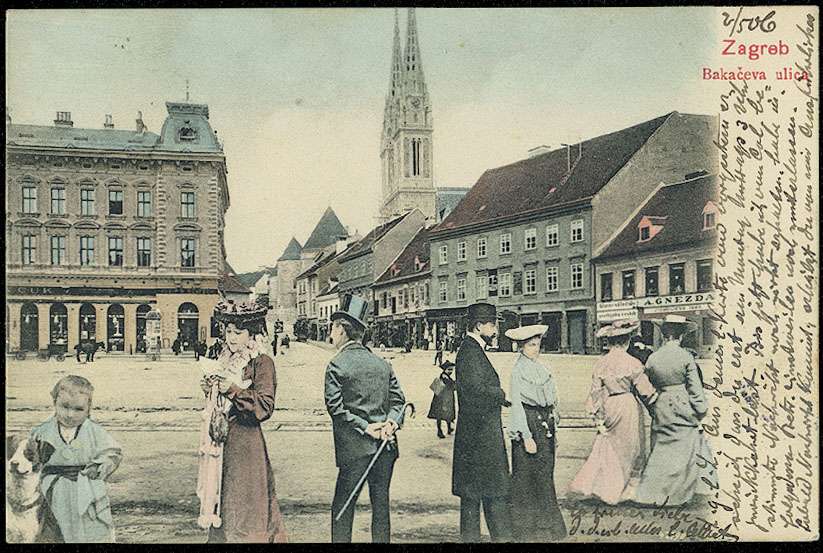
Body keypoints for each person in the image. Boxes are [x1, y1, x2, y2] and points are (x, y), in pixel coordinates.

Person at [199, 301, 287, 543]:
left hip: (247, 444)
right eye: (228, 332)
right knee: (224, 497)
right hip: (223, 441)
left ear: (252, 333)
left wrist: (234, 390)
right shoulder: (225, 358)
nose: (232, 338)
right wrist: (211, 390)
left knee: (247, 504)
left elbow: (265, 406)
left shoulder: (262, 361)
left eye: (238, 333)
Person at [324, 294, 406, 543]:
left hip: (355, 449)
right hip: (386, 447)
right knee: (381, 506)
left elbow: (336, 409)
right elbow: (399, 402)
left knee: (342, 507)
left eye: (333, 328)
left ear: (341, 330)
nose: (331, 333)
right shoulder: (382, 364)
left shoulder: (336, 365)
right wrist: (391, 423)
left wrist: (366, 428)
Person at [630, 315, 718, 507]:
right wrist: (701, 410)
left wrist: (653, 406)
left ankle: (651, 493)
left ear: (663, 335)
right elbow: (695, 389)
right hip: (682, 403)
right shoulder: (686, 357)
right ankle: (678, 493)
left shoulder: (653, 357)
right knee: (683, 447)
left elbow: (646, 386)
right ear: (681, 335)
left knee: (661, 447)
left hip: (661, 403)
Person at [567, 319, 658, 505]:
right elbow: (645, 391)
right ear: (627, 341)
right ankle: (626, 490)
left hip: (609, 404)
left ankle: (606, 487)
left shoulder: (601, 363)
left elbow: (595, 392)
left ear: (610, 342)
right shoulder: (632, 363)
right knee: (631, 448)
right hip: (627, 405)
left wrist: (598, 416)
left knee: (610, 446)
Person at [31, 375, 122, 542]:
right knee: (53, 529)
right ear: (54, 404)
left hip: (86, 488)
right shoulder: (41, 432)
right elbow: (29, 459)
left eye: (78, 409)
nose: (70, 415)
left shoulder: (94, 431)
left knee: (90, 529)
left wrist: (99, 466)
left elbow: (112, 453)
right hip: (52, 491)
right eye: (64, 407)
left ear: (88, 409)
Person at [452, 302, 513, 543]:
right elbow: (476, 390)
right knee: (490, 492)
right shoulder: (470, 351)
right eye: (492, 324)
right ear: (479, 326)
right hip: (481, 437)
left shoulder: (469, 349)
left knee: (474, 495)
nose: (496, 328)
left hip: (474, 436)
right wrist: (501, 394)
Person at [505, 325, 567, 541]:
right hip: (529, 425)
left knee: (545, 476)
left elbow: (553, 401)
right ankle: (524, 528)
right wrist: (526, 436)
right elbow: (517, 406)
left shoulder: (542, 367)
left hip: (545, 425)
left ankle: (545, 526)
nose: (535, 349)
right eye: (531, 345)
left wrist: (555, 427)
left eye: (537, 344)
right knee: (525, 480)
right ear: (521, 347)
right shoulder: (518, 370)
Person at [427, 361, 456, 439]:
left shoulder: (445, 376)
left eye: (452, 370)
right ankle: (439, 431)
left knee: (447, 413)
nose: (451, 371)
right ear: (445, 370)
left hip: (445, 398)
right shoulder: (445, 377)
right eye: (449, 370)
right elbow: (452, 386)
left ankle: (449, 428)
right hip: (441, 399)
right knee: (440, 415)